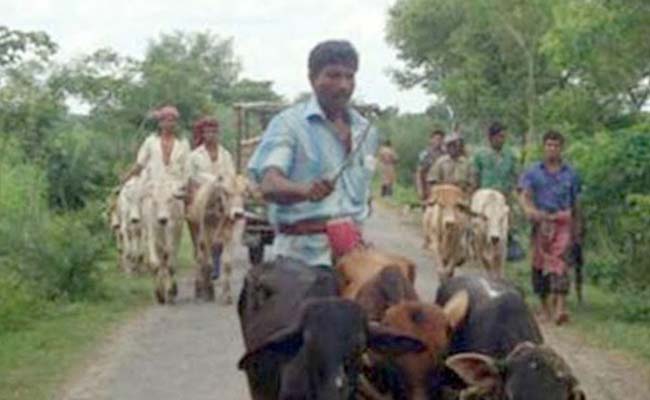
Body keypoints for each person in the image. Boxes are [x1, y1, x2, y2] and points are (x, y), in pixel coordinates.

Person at [247, 40, 378, 268]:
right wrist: (304, 190)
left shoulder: (365, 130)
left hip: (355, 255)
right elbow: (269, 184)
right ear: (312, 79)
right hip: (302, 256)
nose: (343, 85)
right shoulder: (289, 125)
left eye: (349, 76)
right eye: (333, 76)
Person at [519, 130, 581, 325]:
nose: (552, 149)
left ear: (561, 148)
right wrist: (529, 210)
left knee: (561, 263)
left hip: (563, 221)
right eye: (549, 145)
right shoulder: (533, 171)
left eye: (556, 145)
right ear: (543, 147)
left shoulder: (571, 173)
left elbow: (576, 202)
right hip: (541, 222)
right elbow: (525, 194)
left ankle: (560, 307)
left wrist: (577, 228)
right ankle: (545, 308)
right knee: (539, 265)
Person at [186, 116, 237, 280]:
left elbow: (231, 175)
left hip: (222, 195)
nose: (211, 135)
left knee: (229, 215)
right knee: (200, 234)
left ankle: (216, 262)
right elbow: (190, 177)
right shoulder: (195, 155)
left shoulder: (225, 154)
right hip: (202, 195)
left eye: (214, 132)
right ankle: (203, 264)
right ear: (203, 134)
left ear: (218, 134)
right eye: (207, 132)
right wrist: (208, 183)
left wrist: (222, 184)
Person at [122, 105, 191, 184]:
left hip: (176, 185)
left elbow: (187, 169)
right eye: (167, 120)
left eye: (173, 121)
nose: (170, 124)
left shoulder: (183, 143)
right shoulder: (151, 141)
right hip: (152, 185)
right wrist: (127, 176)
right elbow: (140, 164)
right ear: (160, 123)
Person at [473, 122, 517, 195]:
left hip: (504, 196)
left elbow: (515, 176)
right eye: (500, 136)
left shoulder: (510, 156)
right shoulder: (480, 155)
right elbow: (476, 177)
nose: (503, 140)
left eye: (504, 137)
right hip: (485, 196)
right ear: (491, 137)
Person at [416, 129, 446, 200]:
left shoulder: (445, 154)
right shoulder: (425, 155)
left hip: (442, 187)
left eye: (441, 139)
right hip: (428, 187)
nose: (439, 141)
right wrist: (420, 189)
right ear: (431, 140)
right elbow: (419, 173)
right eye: (437, 139)